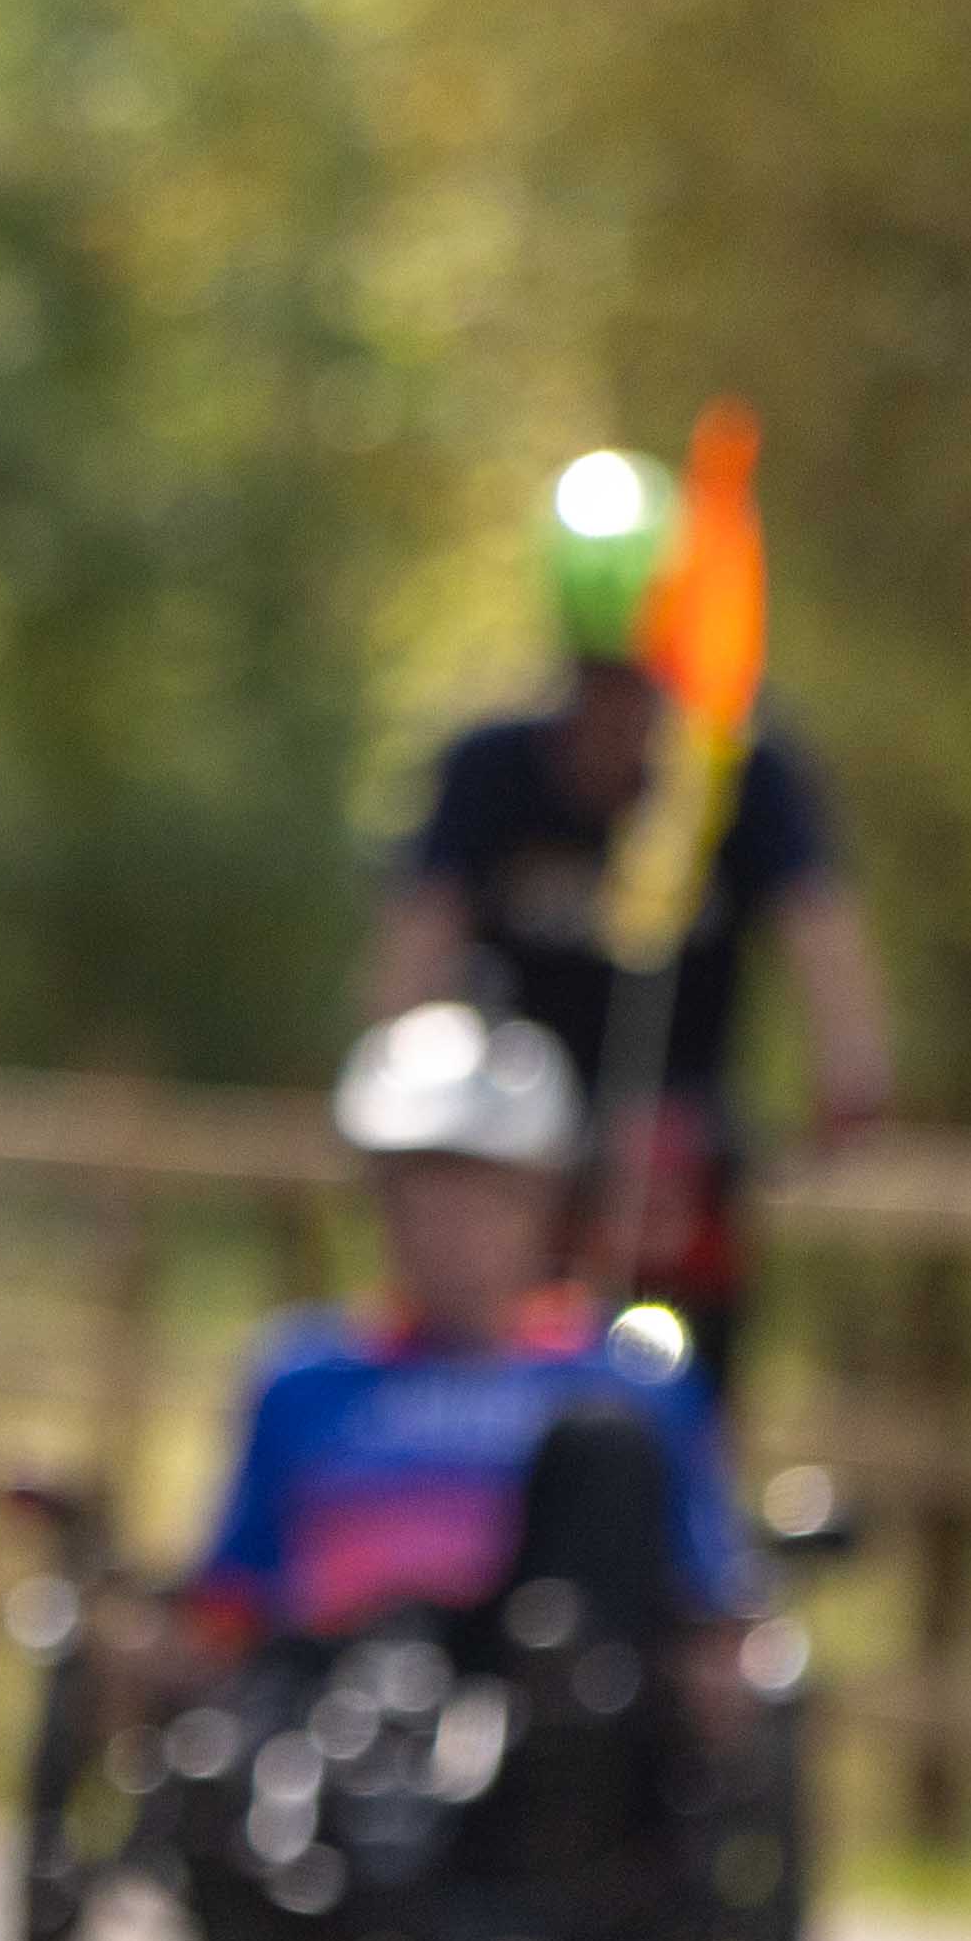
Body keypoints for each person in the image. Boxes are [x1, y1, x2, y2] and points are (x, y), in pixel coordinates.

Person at [367, 445, 895, 1395]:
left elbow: (828, 954)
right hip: (516, 1146)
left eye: (640, 684)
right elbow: (409, 963)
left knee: (677, 1387)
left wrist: (844, 1080)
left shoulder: (744, 776)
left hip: (684, 1168)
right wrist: (402, 1098)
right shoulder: (487, 771)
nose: (617, 716)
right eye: (596, 682)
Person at [177, 1004, 759, 1751]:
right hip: (328, 1712)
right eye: (425, 1192)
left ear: (543, 1202)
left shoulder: (629, 1381)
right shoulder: (303, 1374)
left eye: (482, 1194)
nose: (449, 1228)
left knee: (600, 1449)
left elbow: (710, 1605)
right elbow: (230, 1601)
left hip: (549, 1731)